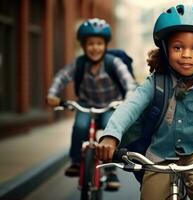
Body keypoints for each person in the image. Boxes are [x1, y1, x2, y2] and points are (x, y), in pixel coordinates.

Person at [95, 4, 193, 200]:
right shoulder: (156, 82)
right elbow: (129, 107)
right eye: (178, 47)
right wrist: (110, 136)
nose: (186, 54)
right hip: (159, 154)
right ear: (165, 49)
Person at [46, 18, 137, 191]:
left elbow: (129, 83)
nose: (95, 48)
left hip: (111, 105)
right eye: (90, 44)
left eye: (99, 43)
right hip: (87, 105)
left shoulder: (113, 63)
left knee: (110, 130)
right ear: (83, 45)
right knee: (80, 126)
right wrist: (52, 94)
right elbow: (61, 77)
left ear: (105, 45)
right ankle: (75, 161)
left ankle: (110, 171)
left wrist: (128, 100)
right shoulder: (79, 64)